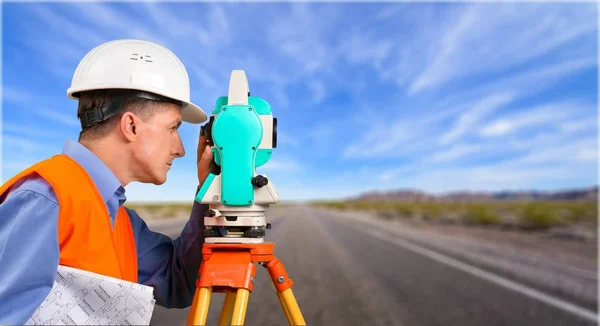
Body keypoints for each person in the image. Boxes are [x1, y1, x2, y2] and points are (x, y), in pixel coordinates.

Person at [0, 39, 214, 323]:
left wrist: (209, 190)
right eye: (173, 128)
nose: (180, 149)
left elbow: (178, 281)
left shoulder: (119, 221)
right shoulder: (45, 199)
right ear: (131, 126)